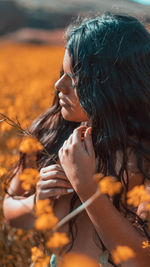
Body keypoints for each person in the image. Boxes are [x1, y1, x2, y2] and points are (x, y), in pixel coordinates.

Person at [3, 12, 150, 266]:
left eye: (74, 77)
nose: (59, 85)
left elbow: (141, 258)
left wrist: (86, 187)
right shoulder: (49, 133)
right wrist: (37, 202)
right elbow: (11, 212)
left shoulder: (142, 157)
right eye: (62, 72)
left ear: (111, 84)